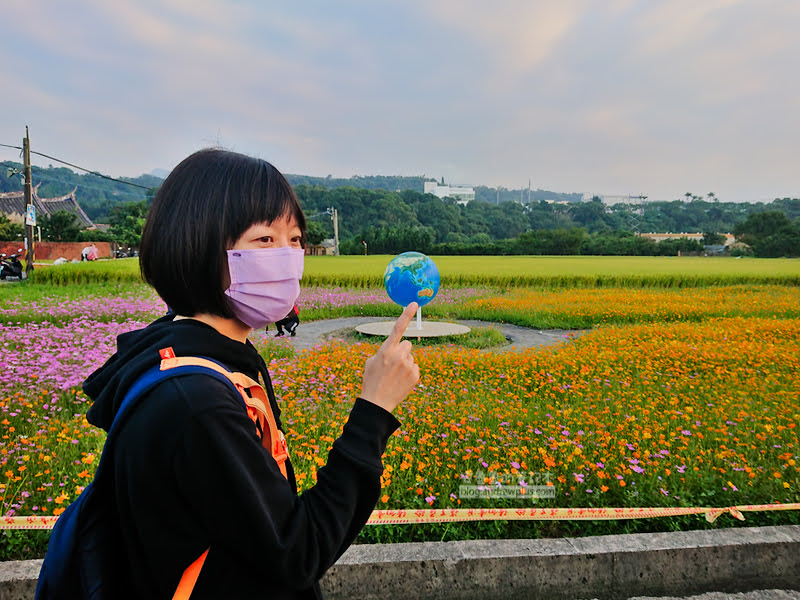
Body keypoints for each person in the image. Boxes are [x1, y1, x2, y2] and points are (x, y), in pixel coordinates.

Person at [82, 148, 419, 599]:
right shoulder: (195, 401)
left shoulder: (201, 355)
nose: (287, 257)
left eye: (295, 239)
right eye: (264, 240)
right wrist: (374, 411)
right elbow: (296, 554)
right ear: (197, 243)